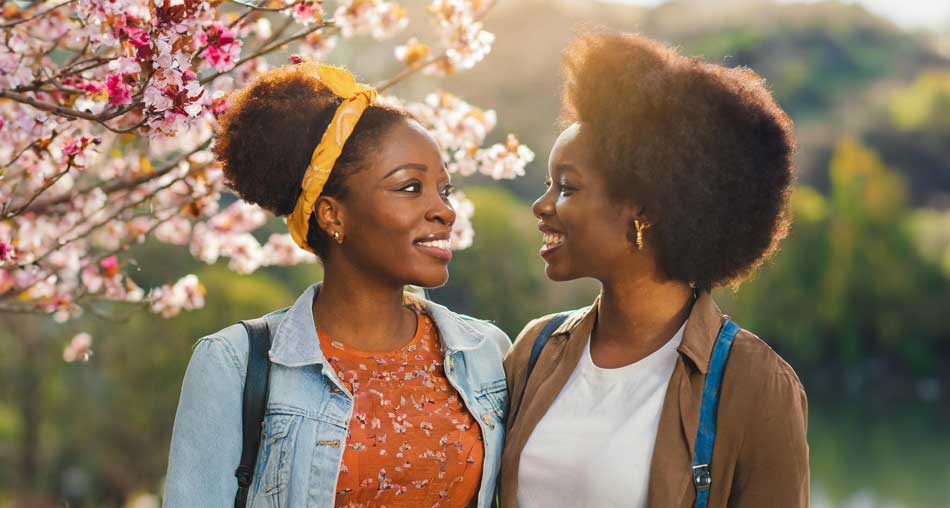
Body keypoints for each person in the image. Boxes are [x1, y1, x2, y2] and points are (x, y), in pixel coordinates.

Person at [163, 60, 510, 508]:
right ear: (332, 215)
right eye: (410, 187)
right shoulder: (235, 365)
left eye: (444, 190)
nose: (445, 210)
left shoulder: (486, 353)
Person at [500, 30, 808, 508]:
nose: (542, 206)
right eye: (548, 185)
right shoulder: (536, 349)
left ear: (644, 207)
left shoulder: (753, 382)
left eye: (567, 187)